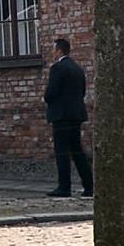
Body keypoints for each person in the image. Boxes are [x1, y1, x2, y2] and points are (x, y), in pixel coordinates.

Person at [44, 35, 93, 198]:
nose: (52, 53)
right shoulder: (77, 68)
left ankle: (64, 187)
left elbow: (51, 93)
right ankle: (89, 185)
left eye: (53, 50)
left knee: (62, 152)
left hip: (61, 115)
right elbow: (82, 92)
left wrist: (46, 97)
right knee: (78, 151)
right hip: (76, 114)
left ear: (58, 51)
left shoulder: (57, 68)